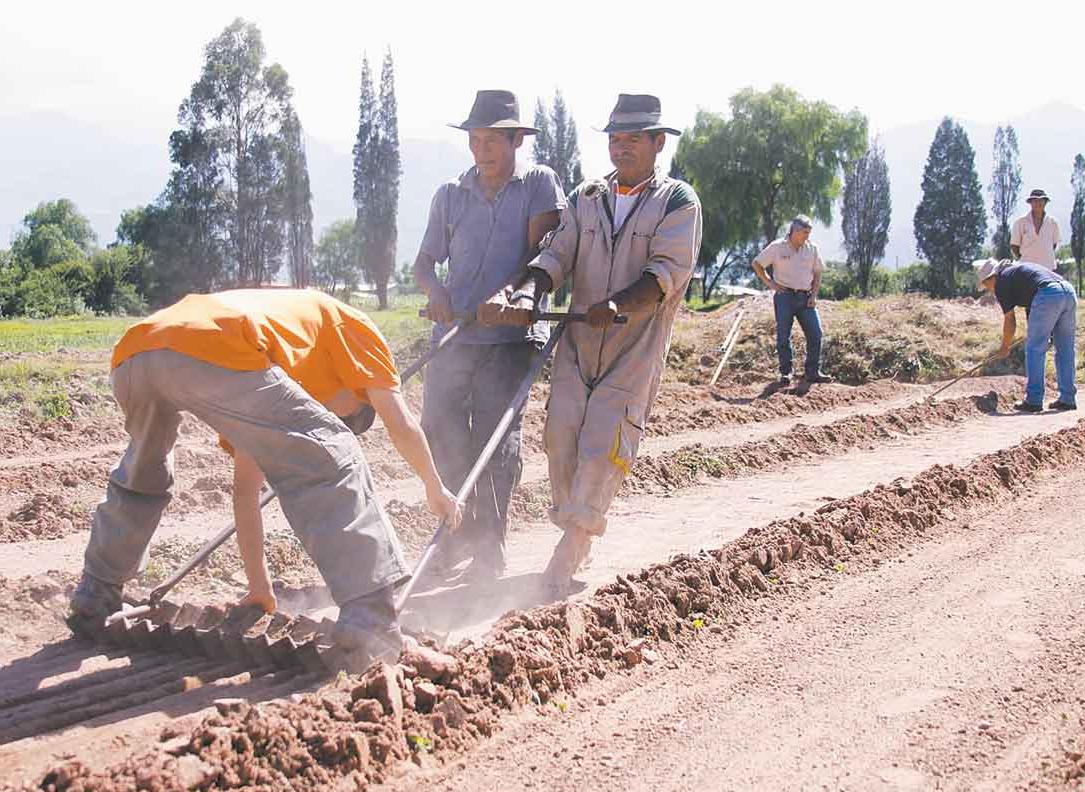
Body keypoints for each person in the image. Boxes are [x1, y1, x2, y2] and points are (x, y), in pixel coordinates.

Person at [69, 289, 462, 666]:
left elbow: (245, 493)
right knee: (332, 452)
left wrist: (259, 588)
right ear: (353, 389)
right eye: (346, 411)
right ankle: (372, 623)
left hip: (138, 351)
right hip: (212, 345)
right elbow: (401, 423)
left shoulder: (267, 374)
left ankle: (96, 592)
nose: (335, 413)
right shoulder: (350, 324)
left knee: (143, 475)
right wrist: (435, 486)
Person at [483, 93, 702, 591]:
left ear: (657, 143)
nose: (621, 148)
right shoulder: (587, 197)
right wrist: (529, 292)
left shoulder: (677, 202)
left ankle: (574, 542)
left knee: (604, 440)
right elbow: (557, 254)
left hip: (634, 346)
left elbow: (666, 273)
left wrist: (619, 305)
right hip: (579, 340)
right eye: (615, 139)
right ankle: (572, 525)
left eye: (632, 139)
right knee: (560, 434)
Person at [413, 89, 565, 580]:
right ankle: (451, 539)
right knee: (440, 432)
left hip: (510, 340)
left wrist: (510, 296)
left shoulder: (538, 185)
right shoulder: (450, 195)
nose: (482, 151)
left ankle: (489, 547)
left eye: (493, 141)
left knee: (495, 442)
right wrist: (436, 293)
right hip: (454, 338)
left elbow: (542, 254)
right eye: (476, 141)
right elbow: (423, 264)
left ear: (517, 139)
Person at [975, 258, 1077, 412]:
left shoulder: (1002, 282)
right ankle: (1068, 399)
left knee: (1034, 349)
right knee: (1065, 349)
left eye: (986, 285)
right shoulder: (1017, 273)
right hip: (1068, 292)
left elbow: (1010, 321)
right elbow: (1032, 305)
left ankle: (1034, 400)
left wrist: (1005, 346)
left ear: (991, 277)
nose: (988, 290)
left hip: (1048, 294)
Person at [751, 215, 832, 385]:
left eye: (809, 233)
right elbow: (757, 264)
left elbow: (817, 273)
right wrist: (770, 283)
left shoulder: (812, 249)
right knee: (783, 337)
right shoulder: (777, 247)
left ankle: (812, 371)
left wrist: (814, 295)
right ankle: (786, 373)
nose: (807, 236)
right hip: (784, 297)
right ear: (794, 231)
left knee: (816, 334)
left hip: (805, 297)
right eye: (804, 232)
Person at [1011, 188, 1060, 270]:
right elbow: (1014, 246)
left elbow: (1054, 245)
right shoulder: (1020, 222)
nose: (1038, 203)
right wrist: (1026, 257)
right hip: (1027, 269)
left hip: (1048, 268)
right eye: (1035, 200)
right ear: (1030, 203)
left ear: (1045, 202)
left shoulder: (1053, 222)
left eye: (1041, 200)